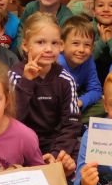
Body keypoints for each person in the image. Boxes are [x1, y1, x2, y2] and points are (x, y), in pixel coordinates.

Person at [9, 13, 82, 158]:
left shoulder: (66, 80)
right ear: (25, 45)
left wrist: (56, 153)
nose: (48, 49)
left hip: (53, 142)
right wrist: (27, 81)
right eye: (41, 42)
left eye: (54, 43)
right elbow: (12, 119)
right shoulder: (14, 76)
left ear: (61, 46)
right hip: (21, 141)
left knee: (79, 149)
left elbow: (71, 124)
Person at [57, 15, 102, 119]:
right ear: (61, 45)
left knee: (104, 104)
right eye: (75, 43)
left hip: (75, 101)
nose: (81, 49)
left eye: (87, 45)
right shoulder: (57, 63)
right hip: (55, 104)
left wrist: (80, 101)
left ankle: (73, 119)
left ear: (92, 48)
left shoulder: (88, 60)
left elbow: (96, 90)